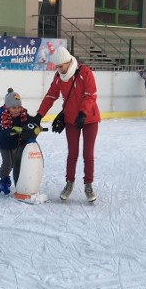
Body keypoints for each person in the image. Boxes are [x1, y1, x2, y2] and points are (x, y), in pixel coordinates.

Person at [32, 46, 101, 202]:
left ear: (68, 62)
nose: (58, 69)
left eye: (60, 66)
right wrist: (39, 115)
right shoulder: (58, 77)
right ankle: (69, 184)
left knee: (88, 154)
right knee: (72, 153)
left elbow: (91, 95)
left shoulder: (85, 73)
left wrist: (83, 113)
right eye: (56, 66)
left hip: (89, 119)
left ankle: (88, 185)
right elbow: (51, 96)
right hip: (71, 119)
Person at [0, 89, 29, 194]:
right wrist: (14, 129)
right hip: (3, 142)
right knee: (7, 162)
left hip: (15, 142)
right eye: (14, 108)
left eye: (18, 107)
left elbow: (28, 121)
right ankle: (3, 180)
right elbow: (1, 129)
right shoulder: (1, 113)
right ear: (8, 106)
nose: (17, 110)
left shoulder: (22, 112)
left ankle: (6, 177)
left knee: (14, 162)